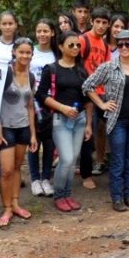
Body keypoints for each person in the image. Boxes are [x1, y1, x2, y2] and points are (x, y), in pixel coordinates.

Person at [81, 30, 129, 210]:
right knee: (118, 159)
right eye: (120, 44)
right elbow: (88, 86)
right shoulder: (108, 67)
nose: (124, 47)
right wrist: (101, 104)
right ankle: (117, 198)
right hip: (117, 121)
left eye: (128, 44)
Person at [35, 30, 90, 212]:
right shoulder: (51, 69)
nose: (75, 48)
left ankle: (67, 194)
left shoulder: (81, 69)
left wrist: (89, 123)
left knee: (72, 160)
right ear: (60, 47)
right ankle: (59, 195)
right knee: (66, 158)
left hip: (79, 119)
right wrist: (62, 107)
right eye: (71, 45)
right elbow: (41, 95)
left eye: (78, 45)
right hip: (60, 119)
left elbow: (88, 97)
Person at [0, 37, 38, 226]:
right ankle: (6, 208)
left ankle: (15, 204)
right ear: (14, 52)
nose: (25, 56)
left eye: (28, 52)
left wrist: (33, 134)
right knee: (6, 170)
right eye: (21, 52)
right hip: (6, 127)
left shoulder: (31, 77)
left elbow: (30, 106)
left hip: (23, 128)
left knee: (17, 167)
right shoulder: (5, 73)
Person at [78, 7, 112, 188]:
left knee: (105, 129)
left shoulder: (105, 45)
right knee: (87, 133)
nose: (100, 25)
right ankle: (86, 175)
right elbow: (76, 64)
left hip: (102, 92)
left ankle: (104, 163)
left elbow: (107, 68)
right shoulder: (83, 40)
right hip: (86, 93)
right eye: (97, 21)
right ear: (92, 22)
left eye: (104, 22)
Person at [28, 19, 59, 197]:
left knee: (49, 142)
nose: (42, 34)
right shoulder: (30, 51)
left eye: (46, 31)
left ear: (52, 32)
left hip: (51, 102)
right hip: (32, 102)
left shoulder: (57, 53)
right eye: (39, 31)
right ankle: (35, 179)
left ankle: (46, 178)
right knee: (34, 140)